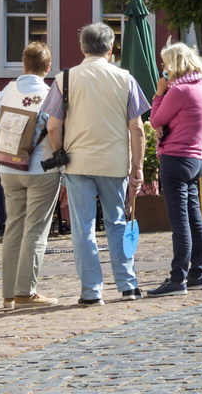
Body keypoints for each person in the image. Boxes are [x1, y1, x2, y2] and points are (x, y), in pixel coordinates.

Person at [43, 23, 150, 305]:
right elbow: (137, 128)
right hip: (114, 163)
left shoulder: (64, 79)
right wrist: (137, 166)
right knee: (116, 223)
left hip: (77, 162)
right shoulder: (125, 78)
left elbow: (54, 126)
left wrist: (59, 154)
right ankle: (128, 285)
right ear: (111, 48)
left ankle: (91, 291)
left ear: (82, 48)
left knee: (82, 228)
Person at [0, 43, 59, 310]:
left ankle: (8, 293)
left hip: (8, 167)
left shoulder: (4, 92)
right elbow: (54, 131)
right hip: (40, 167)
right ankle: (25, 292)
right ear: (47, 67)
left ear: (23, 63)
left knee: (14, 227)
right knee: (36, 229)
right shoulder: (50, 93)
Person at [147, 42, 202, 296]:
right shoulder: (200, 87)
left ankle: (177, 279)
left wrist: (158, 94)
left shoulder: (179, 91)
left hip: (175, 159)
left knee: (179, 221)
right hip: (195, 159)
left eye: (164, 64)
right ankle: (197, 273)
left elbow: (155, 120)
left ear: (174, 65)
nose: (163, 69)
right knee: (194, 218)